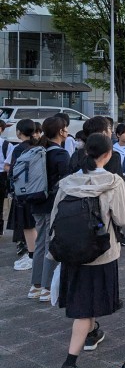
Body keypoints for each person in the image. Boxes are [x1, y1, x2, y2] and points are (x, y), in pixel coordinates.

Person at [55, 133, 125, 368]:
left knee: (84, 299)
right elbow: (123, 218)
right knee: (84, 309)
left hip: (71, 252)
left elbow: (56, 217)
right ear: (108, 155)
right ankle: (69, 363)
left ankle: (92, 333)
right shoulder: (113, 182)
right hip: (101, 253)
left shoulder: (67, 182)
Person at [29, 116, 71, 302]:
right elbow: (66, 182)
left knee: (39, 244)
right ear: (61, 131)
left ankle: (35, 286)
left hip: (35, 202)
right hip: (52, 205)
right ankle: (46, 288)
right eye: (65, 128)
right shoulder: (60, 154)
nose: (67, 131)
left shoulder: (39, 150)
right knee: (50, 244)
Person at [7, 119, 40, 271]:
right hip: (39, 190)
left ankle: (32, 256)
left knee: (27, 225)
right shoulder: (39, 147)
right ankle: (36, 254)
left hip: (23, 192)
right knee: (36, 224)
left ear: (19, 132)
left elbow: (14, 172)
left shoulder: (19, 149)